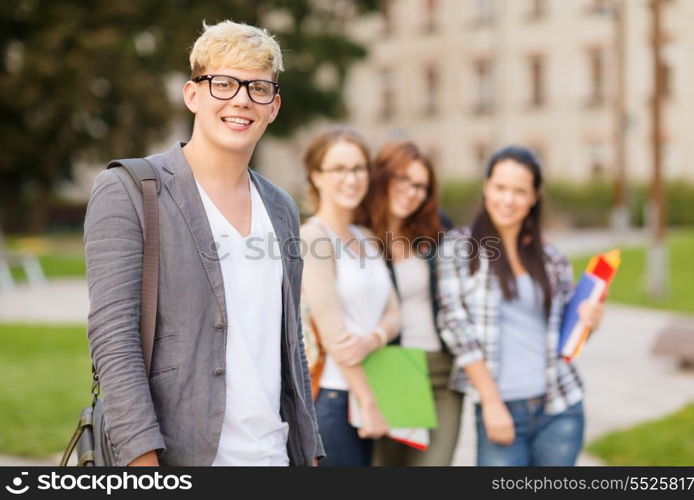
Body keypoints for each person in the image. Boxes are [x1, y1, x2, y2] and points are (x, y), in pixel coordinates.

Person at [83, 20, 323, 466]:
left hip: (274, 455)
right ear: (193, 95)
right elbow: (114, 338)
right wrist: (143, 461)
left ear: (273, 107)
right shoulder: (130, 189)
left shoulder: (281, 207)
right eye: (224, 83)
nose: (241, 100)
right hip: (182, 458)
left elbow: (290, 342)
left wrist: (308, 451)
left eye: (258, 89)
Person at [437, 146, 604, 466]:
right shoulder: (458, 249)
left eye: (520, 191)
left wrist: (589, 323)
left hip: (560, 407)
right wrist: (491, 402)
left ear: (534, 197)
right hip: (501, 407)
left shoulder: (551, 257)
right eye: (500, 188)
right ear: (486, 187)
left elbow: (563, 334)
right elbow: (454, 326)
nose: (508, 200)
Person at [355, 140, 463, 466]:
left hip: (442, 371)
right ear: (382, 178)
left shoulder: (436, 228)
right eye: (402, 180)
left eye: (420, 186)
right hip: (388, 369)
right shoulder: (357, 234)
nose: (411, 192)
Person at [300, 127, 401, 466]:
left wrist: (372, 339)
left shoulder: (367, 236)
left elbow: (394, 313)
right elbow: (335, 337)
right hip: (335, 397)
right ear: (316, 176)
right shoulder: (313, 236)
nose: (351, 178)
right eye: (339, 170)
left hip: (375, 387)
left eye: (358, 169)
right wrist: (368, 405)